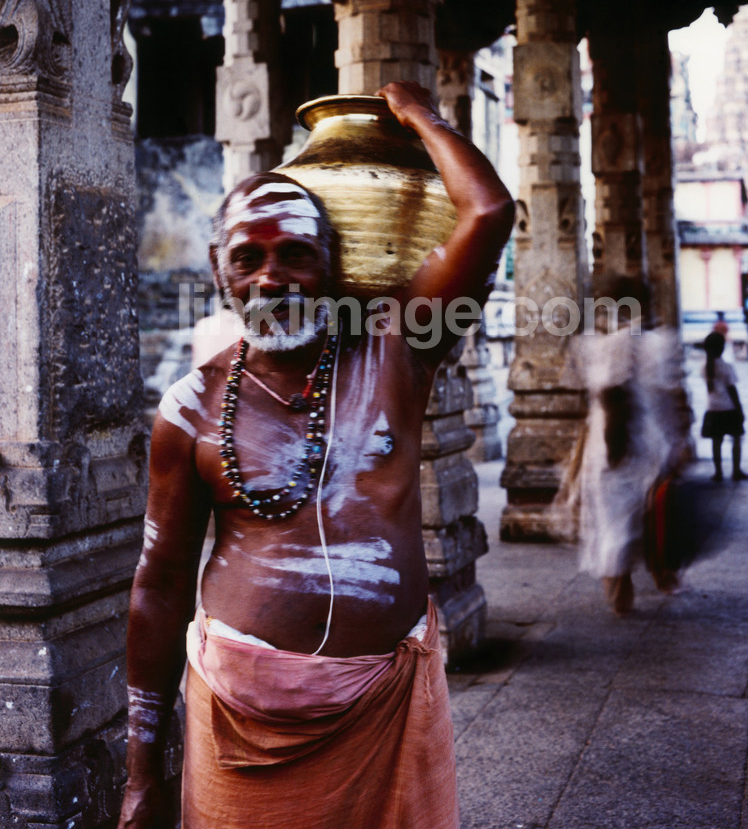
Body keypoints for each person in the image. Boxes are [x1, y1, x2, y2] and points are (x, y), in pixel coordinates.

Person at [116, 81, 514, 829]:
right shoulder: (190, 409)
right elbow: (159, 586)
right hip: (240, 721)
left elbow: (488, 213)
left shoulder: (398, 349)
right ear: (220, 275)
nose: (272, 277)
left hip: (385, 707)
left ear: (330, 265)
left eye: (295, 254)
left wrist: (421, 117)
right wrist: (142, 769)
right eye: (249, 258)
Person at [577, 277, 688, 615]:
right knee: (651, 514)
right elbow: (670, 397)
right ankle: (661, 572)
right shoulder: (658, 344)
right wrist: (681, 440)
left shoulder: (594, 346)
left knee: (613, 521)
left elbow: (597, 398)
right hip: (647, 441)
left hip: (607, 445)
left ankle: (619, 592)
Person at [700, 331, 748, 483]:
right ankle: (736, 471)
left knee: (716, 442)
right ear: (722, 348)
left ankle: (718, 472)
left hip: (712, 408)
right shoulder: (726, 367)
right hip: (729, 408)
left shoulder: (705, 368)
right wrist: (740, 409)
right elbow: (732, 390)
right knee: (736, 439)